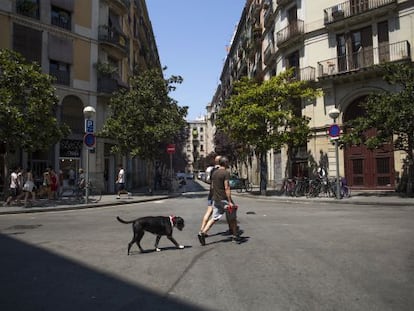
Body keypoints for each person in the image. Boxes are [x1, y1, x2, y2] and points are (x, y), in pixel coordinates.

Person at [198, 156, 241, 245]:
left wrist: (214, 196)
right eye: (228, 162)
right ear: (225, 163)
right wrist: (229, 201)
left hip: (216, 199)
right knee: (232, 218)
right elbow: (227, 187)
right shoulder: (225, 173)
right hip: (224, 199)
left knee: (214, 217)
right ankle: (235, 236)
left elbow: (212, 186)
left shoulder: (215, 173)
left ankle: (203, 232)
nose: (228, 164)